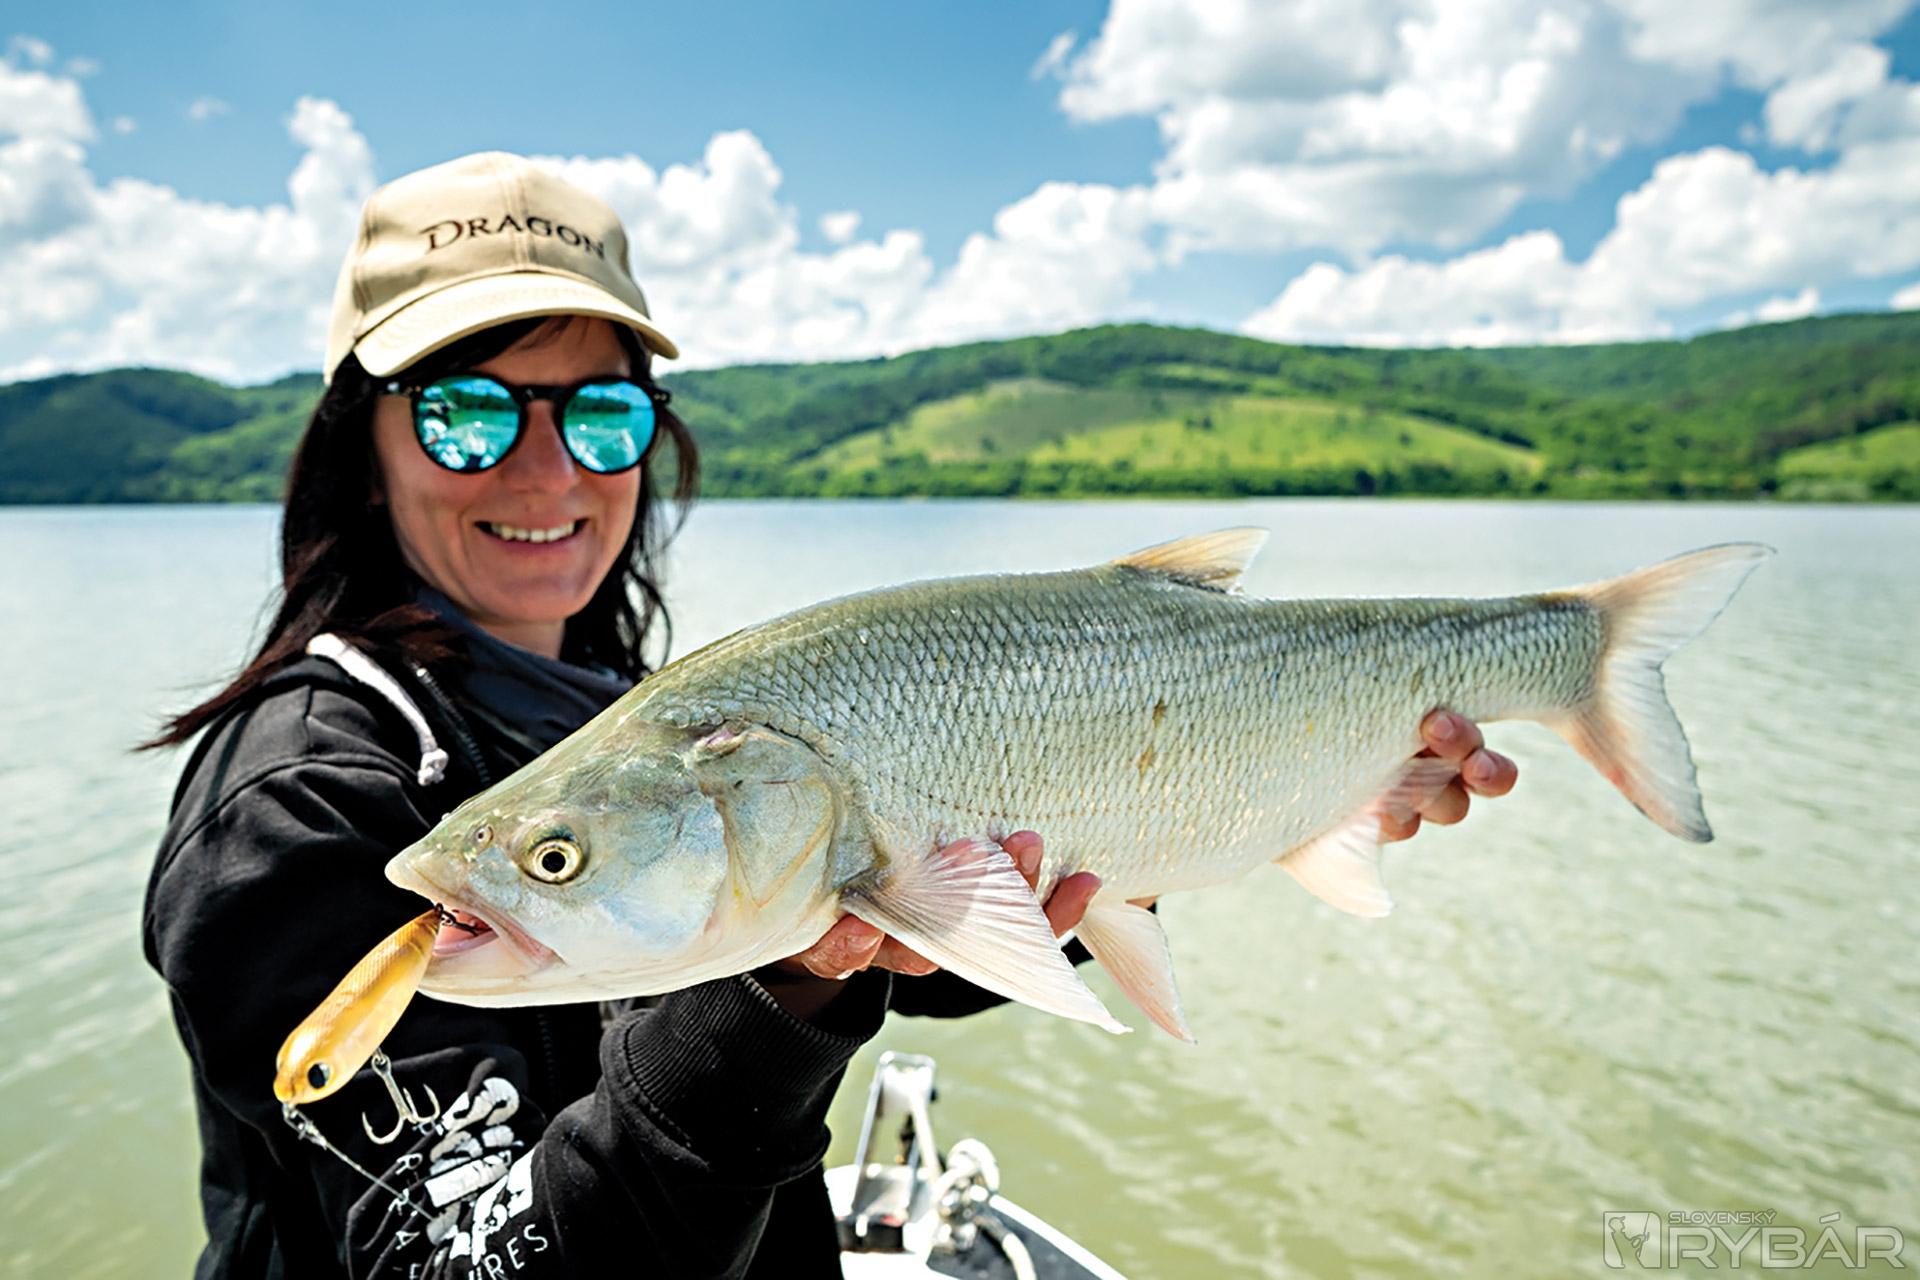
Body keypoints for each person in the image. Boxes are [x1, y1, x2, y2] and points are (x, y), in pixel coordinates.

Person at [141, 152, 1518, 1279]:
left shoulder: (628, 712)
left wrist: (1244, 796)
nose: (548, 469)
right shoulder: (296, 808)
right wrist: (776, 990)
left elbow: (902, 956)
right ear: (362, 443)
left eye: (602, 414)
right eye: (465, 414)